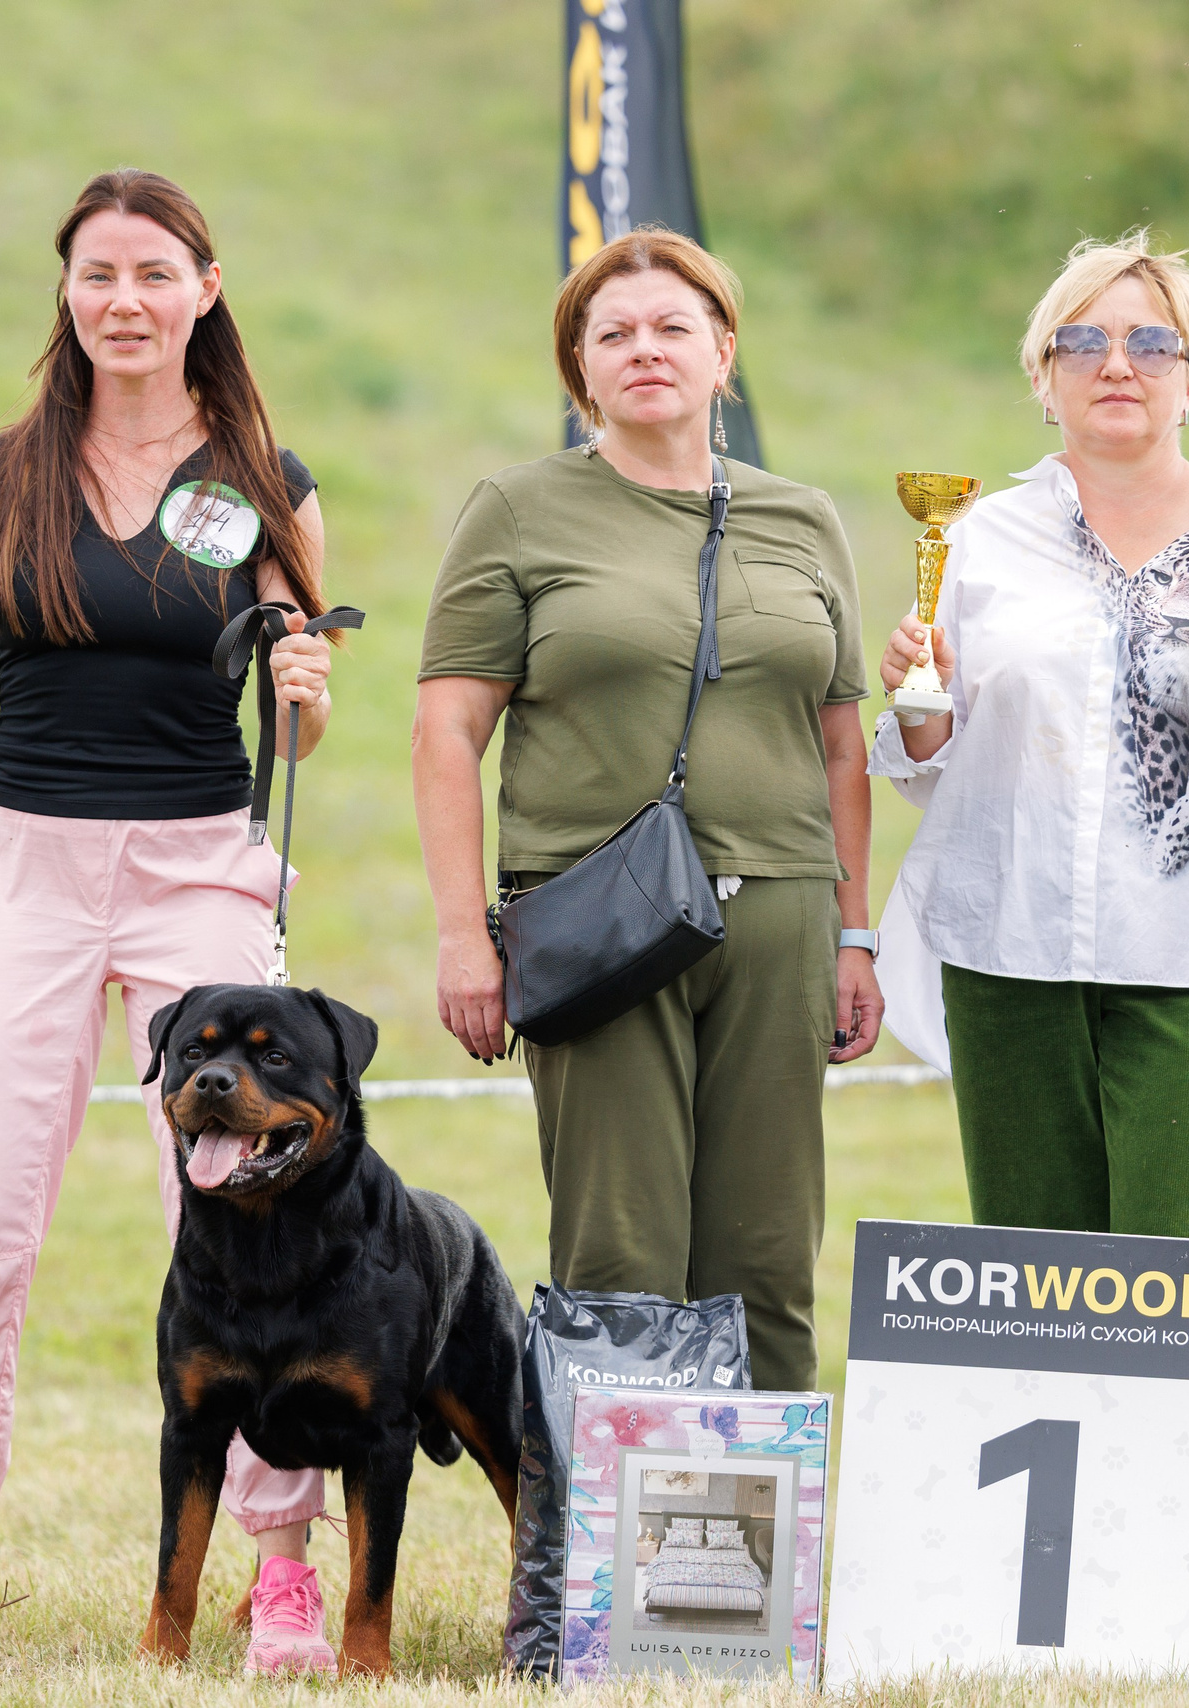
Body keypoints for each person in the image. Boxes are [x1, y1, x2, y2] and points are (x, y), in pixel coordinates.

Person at [0, 170, 346, 1674]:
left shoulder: (266, 478)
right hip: (27, 872)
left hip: (200, 870)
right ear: (67, 293)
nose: (123, 300)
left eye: (153, 273)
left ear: (206, 287)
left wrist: (311, 701)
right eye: (95, 274)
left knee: (247, 1214)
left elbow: (299, 731)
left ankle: (281, 1567)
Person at [412, 228, 880, 1395]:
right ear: (579, 370)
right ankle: (613, 1562)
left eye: (673, 327)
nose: (644, 350)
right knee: (621, 1252)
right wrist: (464, 933)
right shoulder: (518, 512)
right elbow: (446, 732)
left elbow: (839, 742)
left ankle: (766, 1553)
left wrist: (853, 930)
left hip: (780, 915)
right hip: (594, 920)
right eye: (610, 334)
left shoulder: (804, 518)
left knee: (768, 1249)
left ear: (725, 352)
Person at [869, 230, 1189, 1261]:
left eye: (1152, 342)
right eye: (1080, 341)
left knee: (1178, 1281)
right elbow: (938, 766)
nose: (1116, 364)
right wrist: (917, 704)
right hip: (1005, 957)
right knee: (1033, 1278)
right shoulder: (978, 536)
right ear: (1043, 382)